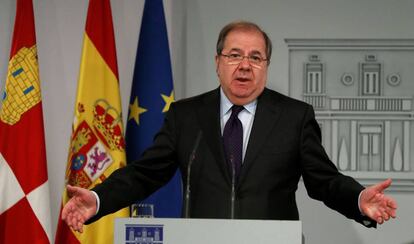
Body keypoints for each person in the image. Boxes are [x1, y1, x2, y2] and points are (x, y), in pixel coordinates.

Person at [62, 21, 397, 233]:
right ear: (218, 62)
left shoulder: (294, 117)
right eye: (235, 55)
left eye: (255, 57)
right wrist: (97, 198)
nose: (245, 66)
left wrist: (357, 199)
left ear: (266, 67)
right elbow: (145, 174)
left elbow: (324, 181)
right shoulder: (186, 116)